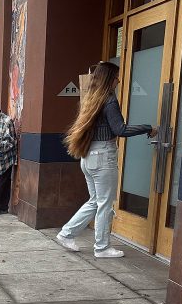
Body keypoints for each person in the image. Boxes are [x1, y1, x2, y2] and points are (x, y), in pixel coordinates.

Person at [56, 61, 158, 257]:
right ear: (109, 78)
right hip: (103, 156)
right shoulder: (109, 100)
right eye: (116, 76)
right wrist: (148, 128)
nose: (119, 80)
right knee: (104, 203)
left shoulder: (92, 98)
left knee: (96, 201)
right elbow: (120, 129)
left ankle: (66, 233)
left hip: (88, 156)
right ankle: (102, 247)